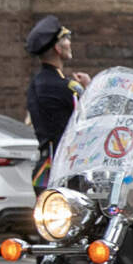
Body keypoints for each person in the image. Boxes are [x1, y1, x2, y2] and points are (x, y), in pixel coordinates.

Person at [24, 15, 84, 185]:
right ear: (58, 48)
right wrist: (87, 88)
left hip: (44, 169)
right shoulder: (68, 87)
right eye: (66, 38)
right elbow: (88, 118)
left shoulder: (36, 83)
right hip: (65, 168)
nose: (69, 42)